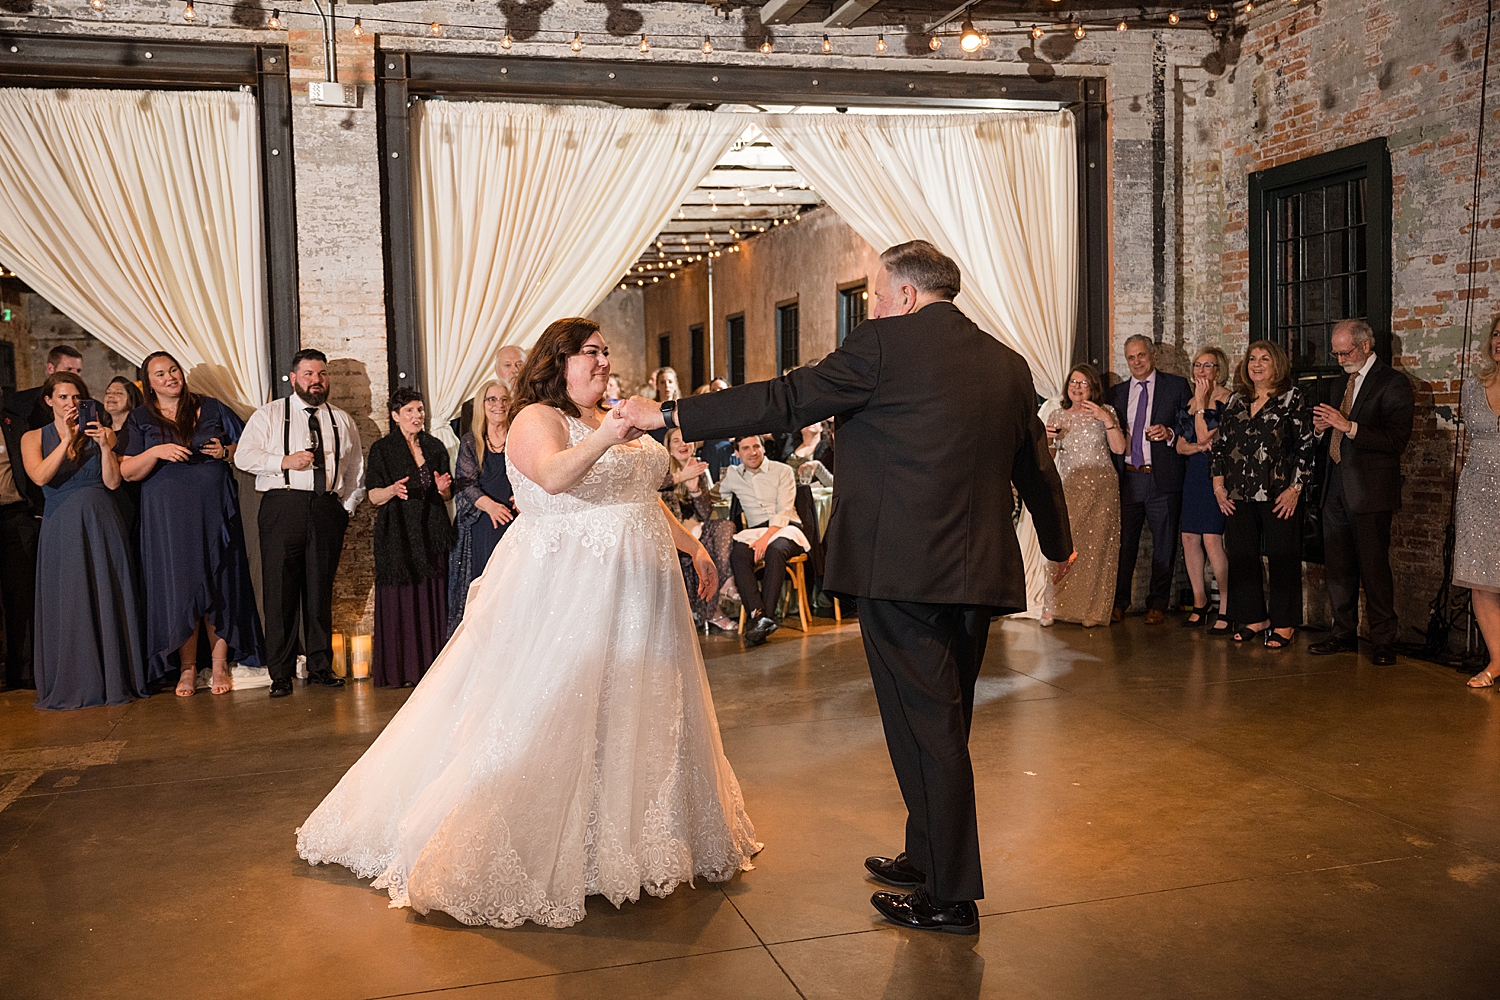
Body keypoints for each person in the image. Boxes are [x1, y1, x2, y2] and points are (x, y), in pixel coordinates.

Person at [617, 240, 1074, 936]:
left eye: (878, 294)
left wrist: (675, 418)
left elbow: (787, 398)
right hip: (976, 574)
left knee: (927, 729)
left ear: (909, 296)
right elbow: (1034, 467)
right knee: (941, 721)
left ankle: (949, 897)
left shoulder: (883, 346)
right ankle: (927, 856)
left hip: (902, 571)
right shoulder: (1008, 366)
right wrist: (1059, 543)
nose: (874, 306)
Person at [296, 317, 757, 930]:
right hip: (570, 591)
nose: (602, 362)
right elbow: (555, 475)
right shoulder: (537, 418)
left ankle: (627, 835)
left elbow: (637, 495)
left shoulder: (609, 415)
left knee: (636, 705)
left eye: (606, 353)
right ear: (557, 361)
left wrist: (693, 547)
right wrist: (614, 431)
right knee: (555, 705)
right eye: (590, 353)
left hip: (640, 593)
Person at [121, 351, 263, 696]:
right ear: (148, 384)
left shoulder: (211, 407)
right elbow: (126, 471)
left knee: (219, 584)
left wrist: (225, 453)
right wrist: (156, 452)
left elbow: (247, 446)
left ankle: (217, 665)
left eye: (173, 370)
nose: (170, 377)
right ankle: (187, 668)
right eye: (160, 374)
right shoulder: (140, 417)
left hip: (215, 510)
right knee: (181, 587)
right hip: (168, 518)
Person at [234, 349, 365, 698]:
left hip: (325, 508)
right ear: (293, 379)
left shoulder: (341, 419)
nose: (316, 381)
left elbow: (354, 468)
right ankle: (280, 673)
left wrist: (345, 506)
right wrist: (284, 460)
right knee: (279, 593)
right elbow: (243, 455)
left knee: (320, 591)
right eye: (308, 374)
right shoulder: (270, 414)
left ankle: (321, 666)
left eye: (321, 374)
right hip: (282, 505)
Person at [21, 373, 147, 710]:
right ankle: (76, 680)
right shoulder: (33, 437)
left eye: (75, 397)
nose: (70, 404)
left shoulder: (100, 433)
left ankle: (114, 679)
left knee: (107, 595)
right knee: (70, 599)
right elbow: (40, 476)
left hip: (101, 522)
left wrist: (106, 446)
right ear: (49, 401)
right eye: (62, 397)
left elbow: (113, 482)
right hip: (61, 525)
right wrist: (66, 439)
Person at [1306, 320, 1415, 667]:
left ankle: (1384, 640)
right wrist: (1321, 429)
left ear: (1365, 345)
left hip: (1370, 490)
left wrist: (1347, 426)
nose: (1339, 359)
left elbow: (1396, 441)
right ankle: (1343, 633)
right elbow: (1329, 434)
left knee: (1374, 567)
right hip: (1335, 484)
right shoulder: (1341, 381)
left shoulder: (1393, 382)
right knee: (1338, 566)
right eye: (1335, 353)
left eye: (1345, 352)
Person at [1211, 341, 1314, 649]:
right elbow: (1219, 447)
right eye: (1252, 358)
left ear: (1277, 364)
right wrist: (1218, 487)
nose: (1256, 364)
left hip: (1279, 495)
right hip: (1237, 495)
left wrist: (1295, 489)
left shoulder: (1292, 399)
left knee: (1283, 557)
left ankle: (1284, 622)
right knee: (1242, 557)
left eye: (1264, 359)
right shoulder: (1236, 401)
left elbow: (1305, 448)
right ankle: (1254, 617)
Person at [366, 388, 454, 687]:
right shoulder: (382, 449)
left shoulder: (435, 446)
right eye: (410, 411)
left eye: (420, 410)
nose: (417, 416)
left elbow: (446, 492)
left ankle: (435, 668)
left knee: (432, 596)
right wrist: (392, 490)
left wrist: (443, 488)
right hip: (398, 534)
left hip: (431, 532)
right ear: (395, 416)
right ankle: (401, 671)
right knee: (401, 600)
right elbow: (373, 496)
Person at [1110, 335, 1192, 624]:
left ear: (1153, 355)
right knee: (1123, 545)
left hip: (1163, 478)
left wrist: (1169, 433)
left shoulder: (1176, 386)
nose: (1137, 362)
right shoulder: (1116, 393)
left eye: (1141, 355)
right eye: (1131, 357)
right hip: (1129, 479)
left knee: (1165, 545)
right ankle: (1118, 603)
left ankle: (1157, 604)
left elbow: (1189, 425)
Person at [1040, 364, 1125, 627]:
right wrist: (1049, 440)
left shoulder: (1106, 412)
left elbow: (1120, 448)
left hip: (1103, 488)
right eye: (1073, 382)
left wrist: (1105, 418)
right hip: (1070, 487)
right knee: (1064, 545)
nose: (1076, 387)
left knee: (1097, 549)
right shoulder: (1058, 414)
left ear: (1093, 388)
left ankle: (1091, 610)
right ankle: (1052, 606)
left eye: (1083, 383)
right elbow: (1050, 458)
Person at [717, 434, 812, 647]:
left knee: (774, 551)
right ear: (738, 453)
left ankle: (763, 619)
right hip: (755, 532)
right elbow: (716, 496)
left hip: (786, 528)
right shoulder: (733, 475)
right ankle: (760, 616)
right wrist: (694, 485)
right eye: (746, 448)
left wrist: (766, 539)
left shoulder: (783, 471)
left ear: (763, 448)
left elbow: (784, 510)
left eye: (756, 446)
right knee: (738, 554)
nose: (753, 452)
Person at [447, 379, 516, 636]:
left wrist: (523, 496)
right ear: (482, 405)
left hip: (518, 522)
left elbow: (533, 473)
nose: (499, 405)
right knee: (485, 589)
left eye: (503, 399)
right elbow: (464, 483)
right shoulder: (470, 441)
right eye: (492, 399)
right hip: (483, 525)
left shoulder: (520, 436)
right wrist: (491, 507)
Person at [1455, 318, 1500, 687]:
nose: (1499, 341)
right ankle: (1497, 659)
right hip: (1477, 489)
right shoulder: (1474, 387)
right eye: (1497, 334)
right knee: (1481, 578)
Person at [1177, 347, 1234, 633]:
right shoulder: (1190, 402)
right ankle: (1201, 602)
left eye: (1207, 365)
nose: (1201, 371)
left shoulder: (1229, 400)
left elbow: (1200, 435)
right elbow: (1181, 445)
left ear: (1219, 369)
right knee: (1189, 538)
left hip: (1216, 475)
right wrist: (1198, 446)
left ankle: (1226, 605)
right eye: (1197, 365)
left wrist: (1201, 405)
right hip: (1194, 475)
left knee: (1212, 539)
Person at [660, 427, 737, 634]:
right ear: (668, 447)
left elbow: (705, 512)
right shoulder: (662, 468)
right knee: (706, 542)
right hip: (669, 532)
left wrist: (694, 488)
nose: (682, 445)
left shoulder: (697, 470)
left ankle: (724, 584)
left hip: (695, 529)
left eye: (686, 440)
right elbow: (650, 486)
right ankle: (715, 610)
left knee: (725, 527)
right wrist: (681, 476)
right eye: (676, 441)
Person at [0, 387, 44, 692]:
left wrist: (38, 509)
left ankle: (24, 671)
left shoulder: (14, 422)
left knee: (23, 598)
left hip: (16, 515)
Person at [102, 375, 145, 539]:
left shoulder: (140, 432)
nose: (111, 396)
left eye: (118, 393)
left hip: (131, 498)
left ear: (131, 400)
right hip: (107, 500)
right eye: (108, 392)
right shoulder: (101, 432)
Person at [454, 344, 528, 437]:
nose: (514, 370)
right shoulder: (471, 408)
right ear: (496, 370)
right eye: (507, 365)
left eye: (519, 364)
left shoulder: (536, 403)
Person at [6, 345, 83, 430]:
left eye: (78, 370)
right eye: (69, 369)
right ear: (50, 369)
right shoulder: (21, 402)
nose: (76, 375)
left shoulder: (92, 406)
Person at [785, 420, 835, 486]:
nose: (810, 423)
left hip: (816, 491)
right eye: (806, 421)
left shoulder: (828, 449)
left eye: (815, 420)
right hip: (787, 487)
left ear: (821, 427)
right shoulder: (790, 444)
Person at [646, 366, 680, 443]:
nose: (666, 386)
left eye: (670, 382)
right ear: (657, 386)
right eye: (662, 382)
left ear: (676, 385)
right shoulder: (650, 408)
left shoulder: (681, 408)